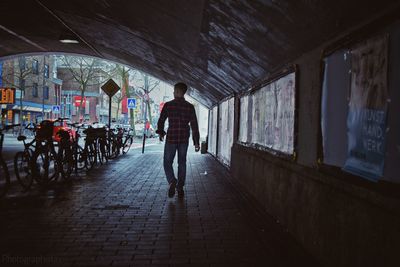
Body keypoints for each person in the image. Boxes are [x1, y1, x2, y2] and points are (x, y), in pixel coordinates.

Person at [156, 82, 200, 198]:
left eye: (175, 91)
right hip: (184, 139)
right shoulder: (190, 107)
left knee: (167, 162)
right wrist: (196, 142)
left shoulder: (168, 105)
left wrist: (161, 132)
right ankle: (180, 186)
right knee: (182, 163)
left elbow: (161, 120)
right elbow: (194, 125)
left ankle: (171, 181)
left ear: (178, 92)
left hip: (171, 138)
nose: (173, 92)